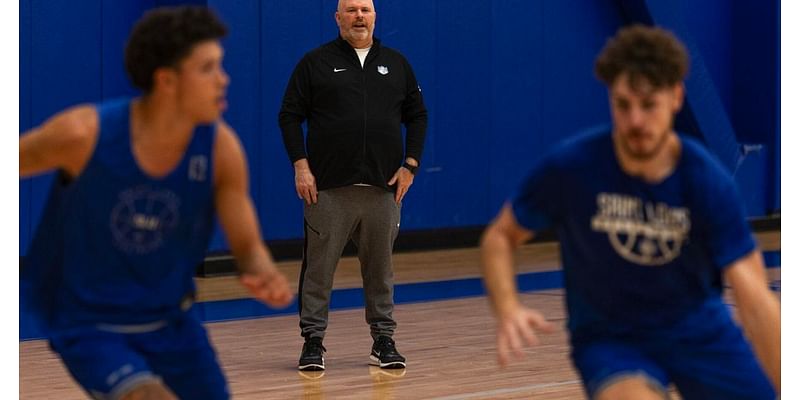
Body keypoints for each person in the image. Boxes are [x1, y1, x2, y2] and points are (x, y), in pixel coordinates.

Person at [479, 24, 779, 399]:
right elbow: (501, 236)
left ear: (676, 97)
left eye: (649, 104)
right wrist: (507, 306)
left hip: (699, 330)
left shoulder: (706, 180)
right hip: (614, 338)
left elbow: (754, 297)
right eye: (623, 104)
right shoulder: (573, 168)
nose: (636, 121)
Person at [19, 6, 293, 400]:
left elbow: (247, 246)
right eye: (208, 68)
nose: (223, 79)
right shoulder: (82, 135)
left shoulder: (220, 149)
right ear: (166, 80)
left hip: (171, 322)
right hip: (88, 323)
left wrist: (262, 272)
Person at [278, 0, 427, 371]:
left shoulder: (396, 64)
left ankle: (383, 341)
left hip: (382, 190)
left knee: (381, 270)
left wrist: (410, 165)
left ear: (375, 16)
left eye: (366, 9)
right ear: (338, 17)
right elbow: (290, 116)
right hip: (327, 188)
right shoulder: (315, 63)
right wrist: (301, 167)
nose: (359, 16)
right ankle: (313, 342)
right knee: (319, 269)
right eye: (352, 9)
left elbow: (418, 116)